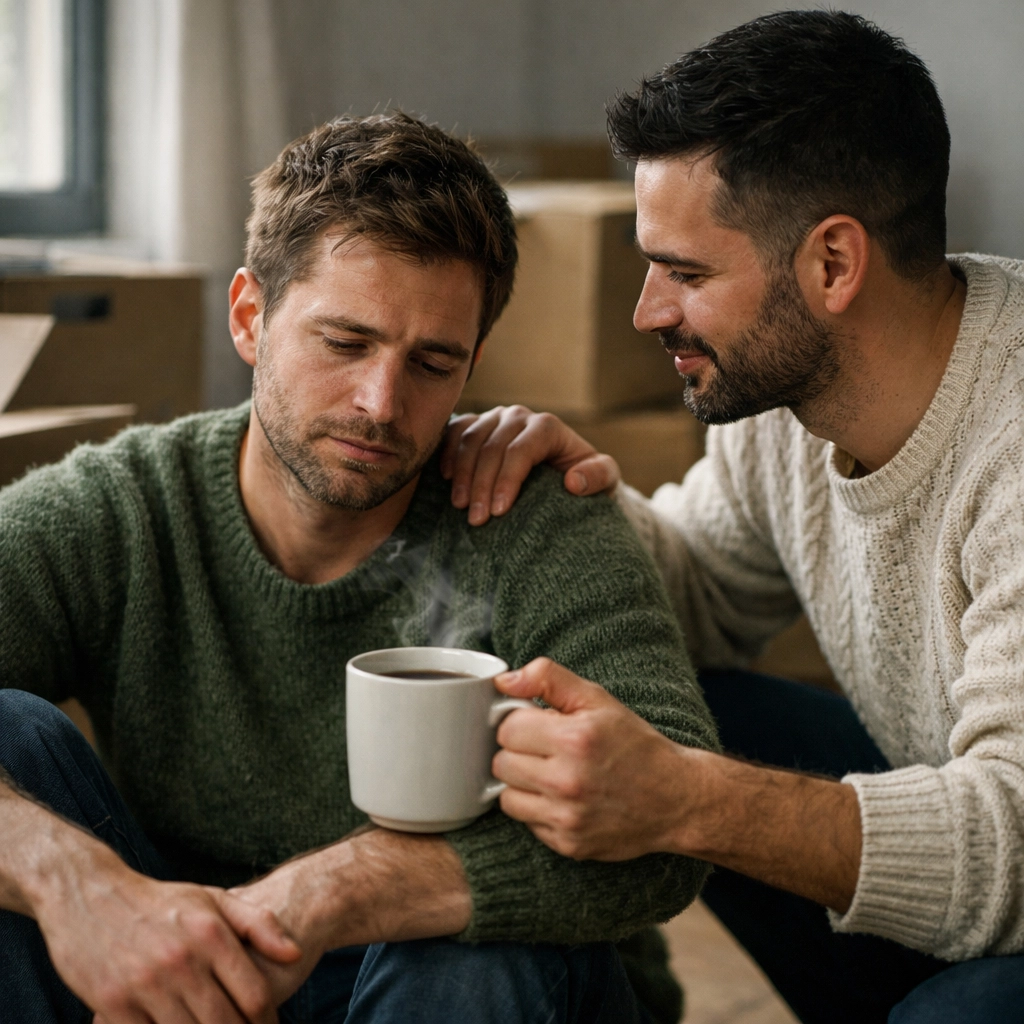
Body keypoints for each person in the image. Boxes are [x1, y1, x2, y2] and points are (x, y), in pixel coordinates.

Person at [0, 113, 719, 1024]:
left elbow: (683, 820)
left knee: (475, 953)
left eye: (433, 363)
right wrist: (75, 883)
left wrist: (335, 893)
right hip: (191, 985)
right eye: (344, 343)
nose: (381, 404)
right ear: (250, 317)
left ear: (473, 365)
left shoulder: (533, 516)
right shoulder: (123, 510)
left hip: (475, 992)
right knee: (14, 741)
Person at [441, 11, 1024, 1024]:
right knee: (684, 705)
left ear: (833, 264)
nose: (647, 311)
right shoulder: (794, 408)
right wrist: (566, 496)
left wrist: (685, 799)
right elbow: (697, 590)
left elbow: (1012, 840)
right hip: (976, 825)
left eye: (687, 272)